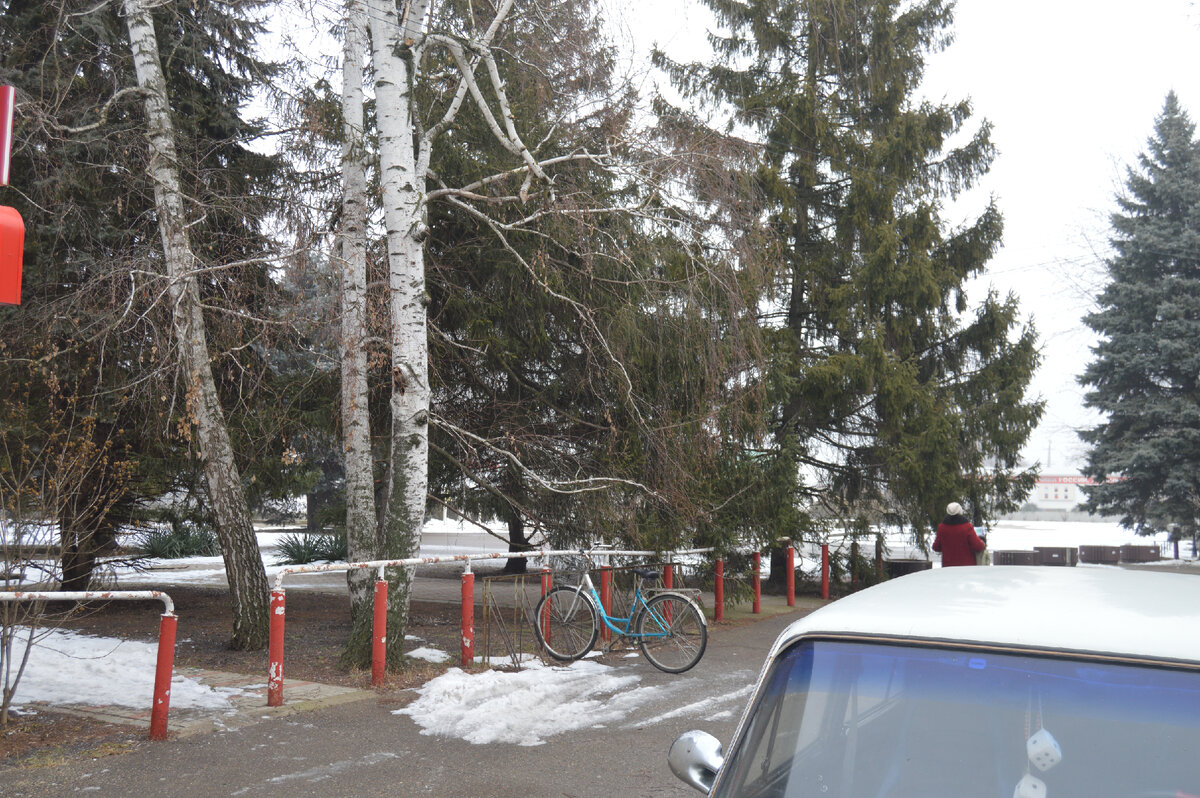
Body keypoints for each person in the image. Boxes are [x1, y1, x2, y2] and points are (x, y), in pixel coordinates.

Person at [932, 502, 986, 567]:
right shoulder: (967, 527)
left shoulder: (942, 528)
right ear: (960, 511)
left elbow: (936, 547)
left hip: (948, 567)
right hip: (966, 567)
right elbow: (978, 546)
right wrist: (982, 542)